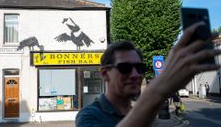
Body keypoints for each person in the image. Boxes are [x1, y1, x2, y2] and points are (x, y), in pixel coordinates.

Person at [75, 22, 221, 127]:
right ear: (105, 74)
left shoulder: (142, 114)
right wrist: (158, 91)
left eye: (140, 67)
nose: (135, 74)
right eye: (125, 67)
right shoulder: (88, 116)